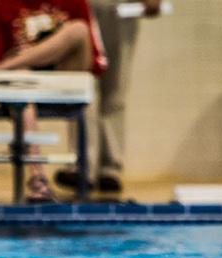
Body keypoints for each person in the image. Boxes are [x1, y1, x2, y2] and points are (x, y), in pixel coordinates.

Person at [0, 0, 107, 202]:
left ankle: (83, 174)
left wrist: (41, 53)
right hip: (23, 84)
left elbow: (94, 62)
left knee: (78, 29)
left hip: (64, 79)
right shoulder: (0, 7)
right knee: (21, 80)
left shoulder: (75, 3)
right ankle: (38, 178)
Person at [55, 0, 160, 195]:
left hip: (121, 8)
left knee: (115, 90)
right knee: (83, 87)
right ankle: (83, 165)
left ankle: (110, 168)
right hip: (82, 5)